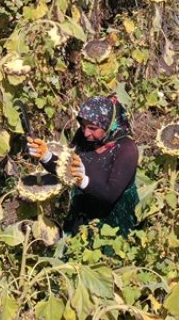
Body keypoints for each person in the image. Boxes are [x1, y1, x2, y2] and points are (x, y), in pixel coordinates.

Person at [28, 96, 139, 235]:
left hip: (114, 224)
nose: (86, 133)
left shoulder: (126, 149)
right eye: (83, 126)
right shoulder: (83, 137)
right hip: (82, 216)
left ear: (109, 125)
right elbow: (67, 170)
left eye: (93, 128)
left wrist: (82, 180)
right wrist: (46, 157)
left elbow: (110, 194)